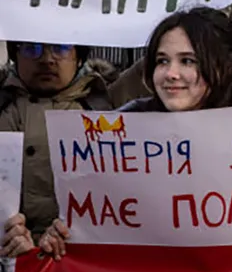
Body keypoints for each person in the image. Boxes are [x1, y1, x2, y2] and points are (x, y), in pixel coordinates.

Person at [39, 8, 232, 257]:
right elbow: (91, 227)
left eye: (187, 61)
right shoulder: (118, 137)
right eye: (162, 61)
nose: (171, 74)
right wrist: (63, 238)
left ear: (222, 67)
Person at [0, 41, 138, 241]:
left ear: (78, 57)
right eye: (32, 48)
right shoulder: (4, 108)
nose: (47, 60)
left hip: (78, 256)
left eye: (61, 48)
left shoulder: (110, 104)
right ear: (15, 55)